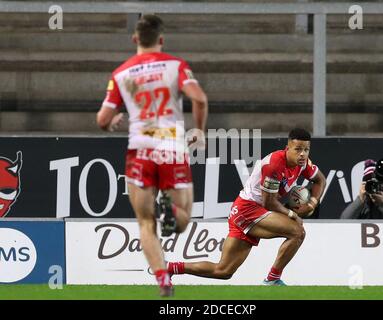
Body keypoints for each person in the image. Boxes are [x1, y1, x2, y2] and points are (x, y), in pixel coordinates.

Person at [96, 14, 208, 297]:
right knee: (182, 221)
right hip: (171, 148)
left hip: (140, 150)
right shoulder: (176, 66)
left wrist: (112, 121)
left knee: (146, 222)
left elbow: (102, 119)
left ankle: (162, 279)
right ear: (161, 40)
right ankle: (169, 210)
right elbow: (199, 98)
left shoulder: (121, 74)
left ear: (135, 39)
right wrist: (199, 130)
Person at [168, 128, 326, 285]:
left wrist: (312, 204)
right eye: (298, 149)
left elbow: (321, 180)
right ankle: (272, 279)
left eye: (306, 149)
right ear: (288, 148)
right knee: (297, 232)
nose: (303, 154)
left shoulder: (303, 163)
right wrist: (292, 214)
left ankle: (171, 268)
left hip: (248, 211)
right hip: (248, 209)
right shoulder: (274, 165)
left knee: (223, 271)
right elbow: (268, 202)